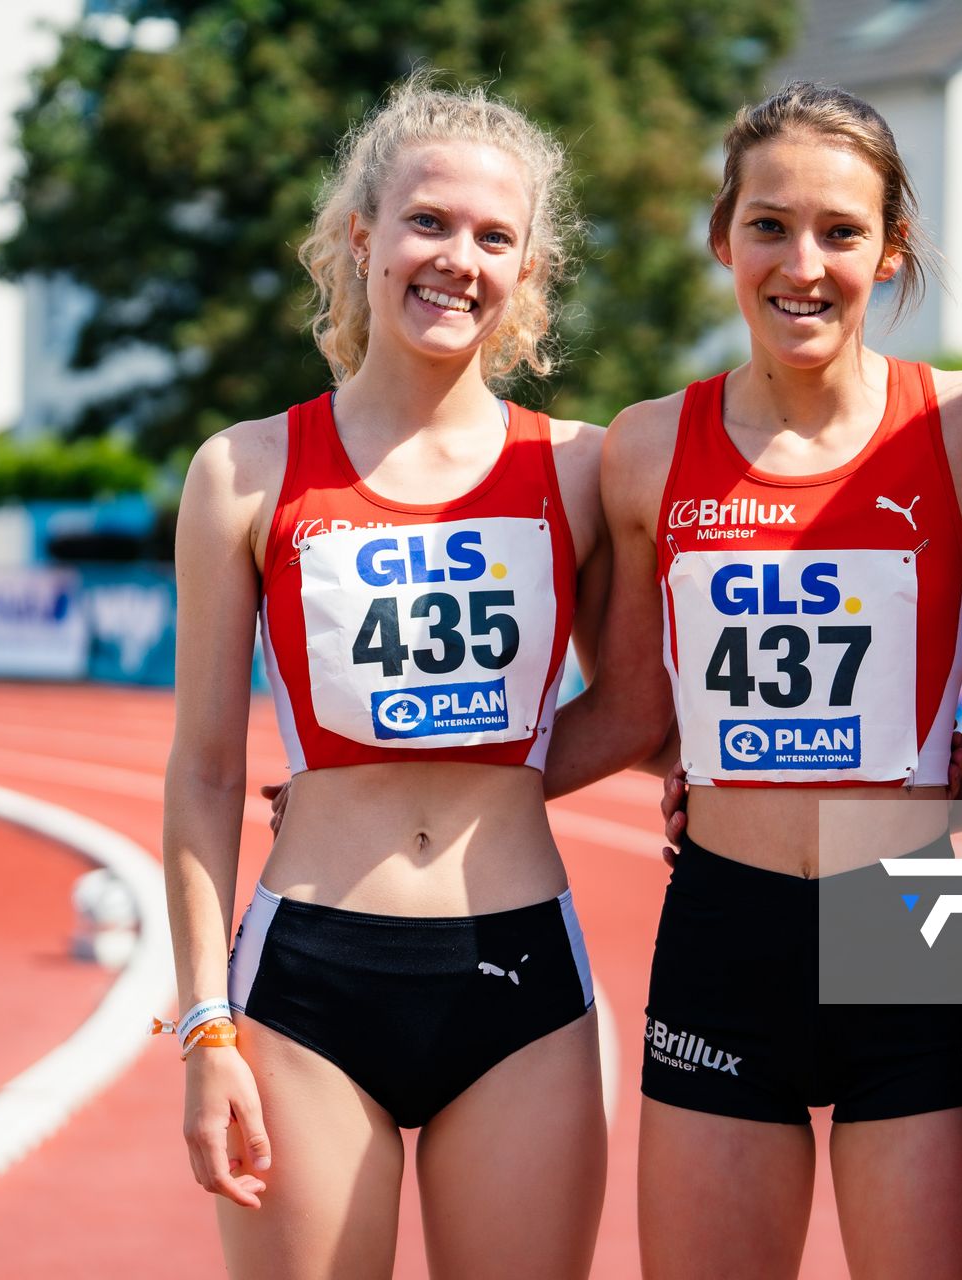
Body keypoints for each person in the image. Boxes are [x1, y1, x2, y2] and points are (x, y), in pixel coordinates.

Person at [555, 82, 962, 1279]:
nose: (801, 262)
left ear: (891, 248)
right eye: (768, 224)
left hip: (901, 920)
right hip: (726, 921)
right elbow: (629, 707)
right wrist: (411, 779)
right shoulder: (649, 445)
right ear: (723, 237)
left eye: (840, 230)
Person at [163, 79, 615, 1278]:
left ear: (529, 268)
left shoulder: (582, 470)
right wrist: (205, 1025)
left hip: (518, 976)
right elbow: (206, 773)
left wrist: (490, 768)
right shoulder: (245, 472)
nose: (455, 258)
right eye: (427, 221)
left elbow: (646, 702)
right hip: (307, 981)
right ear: (360, 236)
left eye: (493, 236)